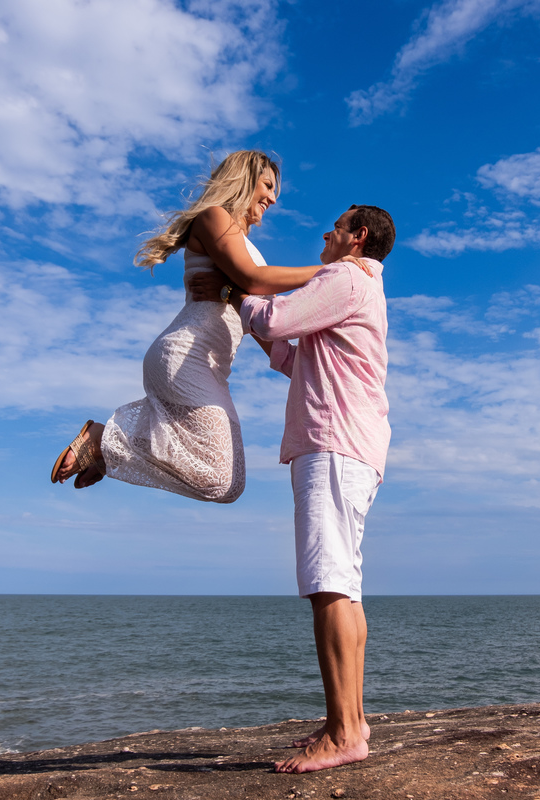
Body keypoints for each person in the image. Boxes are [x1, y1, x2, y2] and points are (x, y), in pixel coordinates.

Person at [191, 204, 395, 773]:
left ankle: (345, 733)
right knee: (344, 587)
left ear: (358, 237)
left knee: (327, 583)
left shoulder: (345, 276)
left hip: (332, 442)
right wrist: (247, 308)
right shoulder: (361, 289)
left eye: (336, 225)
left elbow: (277, 321)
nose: (325, 233)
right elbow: (289, 353)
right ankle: (351, 720)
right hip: (353, 444)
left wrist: (237, 284)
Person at [49, 151, 356, 502]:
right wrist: (336, 271)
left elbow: (259, 323)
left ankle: (107, 448)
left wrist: (311, 371)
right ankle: (102, 441)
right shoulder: (214, 218)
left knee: (229, 484)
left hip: (210, 368)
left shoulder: (246, 248)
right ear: (244, 179)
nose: (272, 198)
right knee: (217, 477)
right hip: (184, 356)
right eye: (268, 186)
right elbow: (254, 280)